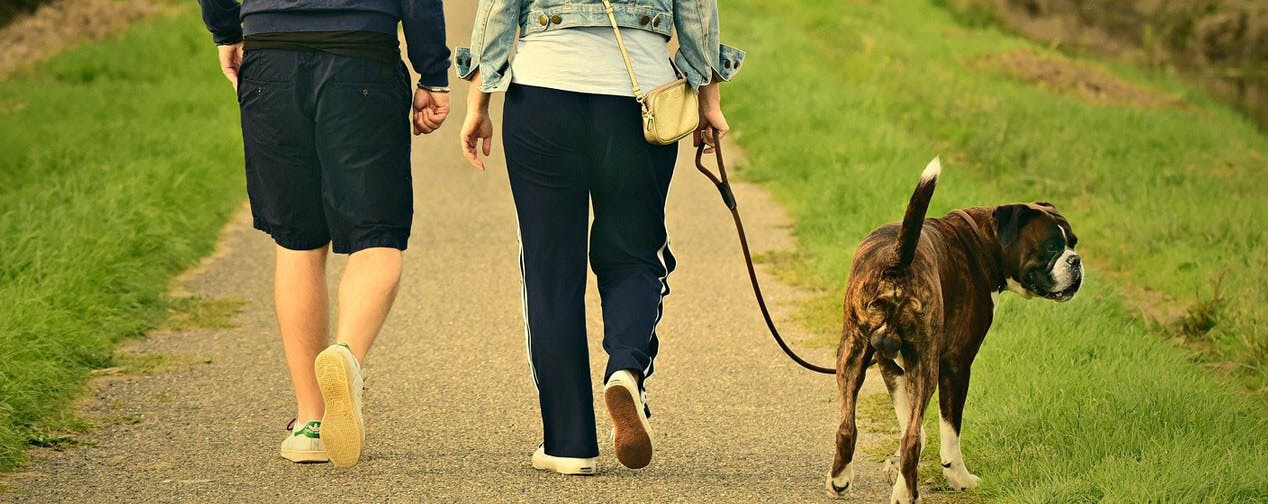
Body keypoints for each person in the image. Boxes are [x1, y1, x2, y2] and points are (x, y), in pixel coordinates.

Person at [457, 0, 742, 474]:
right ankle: (626, 369)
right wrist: (708, 97)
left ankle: (568, 445)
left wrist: (479, 102)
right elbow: (695, 8)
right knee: (633, 254)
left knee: (551, 273)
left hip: (543, 93)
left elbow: (499, 6)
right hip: (640, 97)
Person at [196, 0, 451, 467]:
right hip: (363, 61)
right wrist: (432, 72)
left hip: (270, 60)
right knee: (377, 239)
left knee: (297, 243)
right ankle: (347, 358)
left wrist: (227, 31)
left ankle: (312, 422)